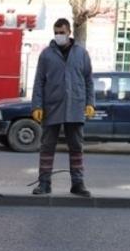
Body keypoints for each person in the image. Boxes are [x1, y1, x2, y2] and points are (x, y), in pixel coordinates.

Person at [30, 18, 96, 196]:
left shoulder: (81, 54)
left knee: (76, 147)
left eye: (62, 32)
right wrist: (37, 105)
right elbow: (39, 82)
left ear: (69, 33)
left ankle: (78, 184)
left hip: (75, 106)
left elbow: (89, 80)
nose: (59, 35)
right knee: (47, 146)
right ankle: (44, 183)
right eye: (56, 32)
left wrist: (90, 102)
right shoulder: (46, 55)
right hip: (52, 107)